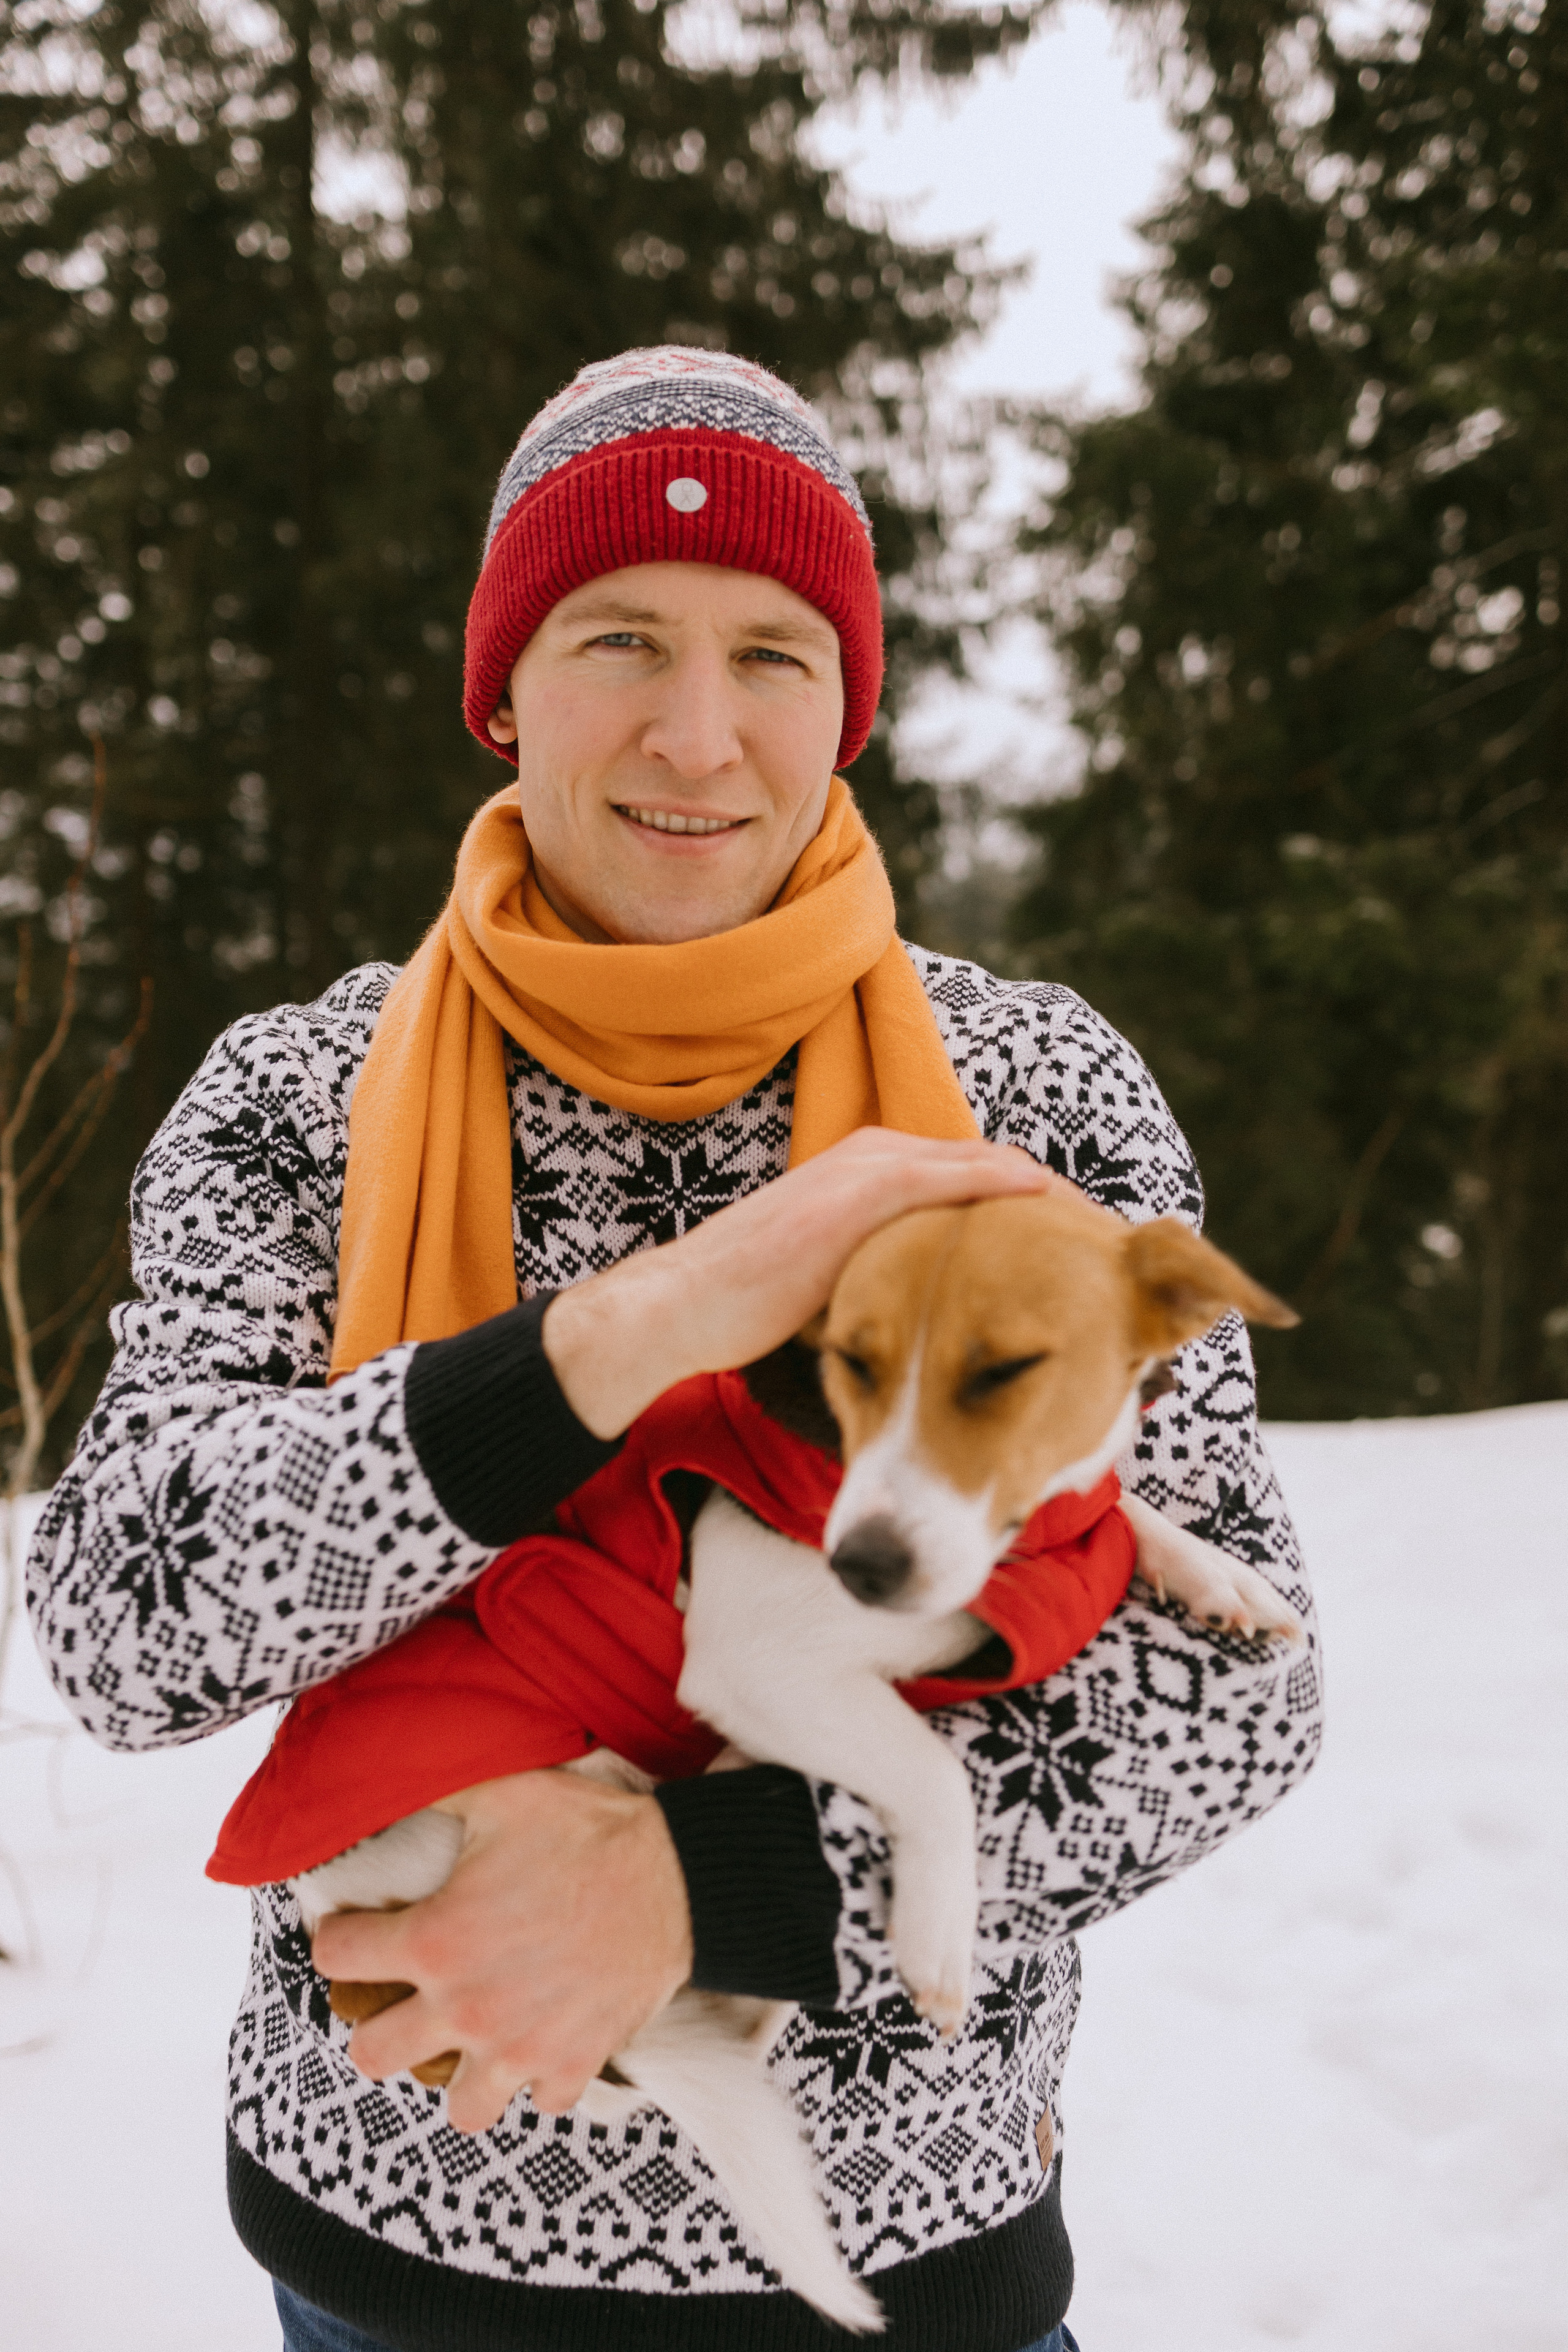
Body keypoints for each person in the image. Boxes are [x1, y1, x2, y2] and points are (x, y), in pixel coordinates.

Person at [28, 347, 1321, 2352]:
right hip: (399, 2255)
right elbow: (123, 1619)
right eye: (618, 635)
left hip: (902, 2262)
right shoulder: (302, 1098)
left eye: (776, 654)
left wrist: (701, 1884)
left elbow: (1235, 1698)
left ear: (850, 707)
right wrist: (627, 1337)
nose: (698, 734)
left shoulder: (1035, 1087)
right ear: (504, 688)